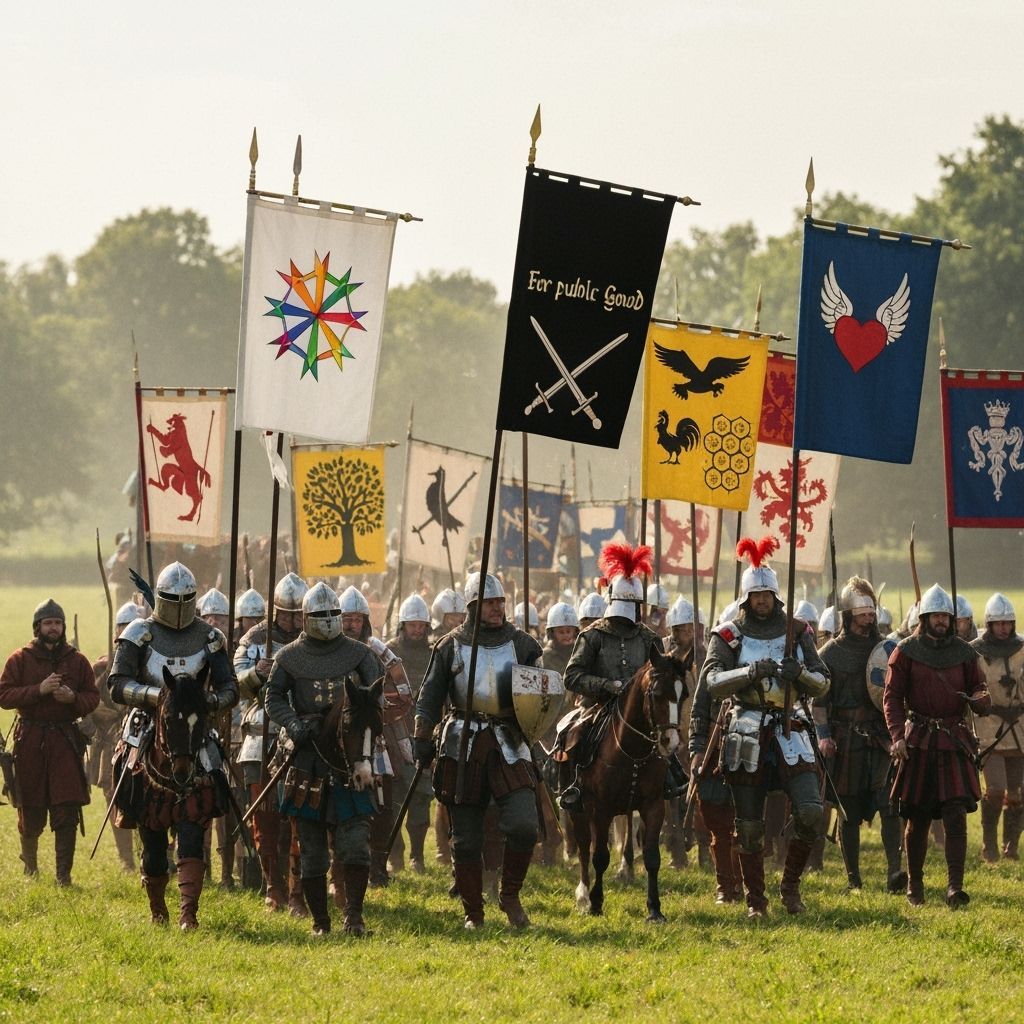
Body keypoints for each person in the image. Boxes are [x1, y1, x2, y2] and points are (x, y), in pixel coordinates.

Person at [700, 537, 829, 918]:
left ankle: (790, 889)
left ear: (776, 596)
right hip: (746, 726)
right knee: (751, 826)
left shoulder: (798, 630)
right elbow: (711, 681)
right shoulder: (728, 634)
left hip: (791, 726)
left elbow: (823, 682)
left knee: (809, 811)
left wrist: (799, 673)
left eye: (766, 594)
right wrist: (749, 671)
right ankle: (757, 902)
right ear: (745, 599)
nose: (761, 601)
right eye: (755, 595)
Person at [108, 562, 238, 928]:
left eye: (185, 599)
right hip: (148, 720)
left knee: (215, 773)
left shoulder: (210, 638)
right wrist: (157, 697)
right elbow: (117, 684)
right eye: (171, 599)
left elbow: (228, 687)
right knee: (128, 768)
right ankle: (156, 903)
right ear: (160, 599)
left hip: (196, 725)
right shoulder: (139, 633)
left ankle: (188, 914)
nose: (179, 606)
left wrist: (208, 703)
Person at [414, 571, 543, 930]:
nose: (497, 609)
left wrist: (535, 731)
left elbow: (540, 696)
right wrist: (422, 738)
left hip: (509, 739)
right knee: (466, 838)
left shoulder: (522, 644)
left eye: (500, 602)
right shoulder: (450, 646)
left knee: (523, 825)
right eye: (490, 603)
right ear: (473, 606)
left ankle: (510, 895)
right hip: (462, 742)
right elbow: (429, 698)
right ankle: (474, 913)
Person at [264, 582, 382, 936]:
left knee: (356, 845)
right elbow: (273, 697)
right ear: (305, 618)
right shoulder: (289, 657)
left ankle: (355, 919)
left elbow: (374, 695)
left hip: (351, 761)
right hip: (307, 760)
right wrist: (295, 725)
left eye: (333, 613)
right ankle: (320, 923)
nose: (328, 620)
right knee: (312, 851)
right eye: (320, 615)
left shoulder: (360, 654)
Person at [884, 584, 991, 907]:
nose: (941, 621)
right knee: (917, 817)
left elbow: (980, 690)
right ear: (925, 617)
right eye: (936, 616)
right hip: (918, 740)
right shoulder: (905, 650)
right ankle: (915, 887)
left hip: (953, 740)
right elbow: (892, 697)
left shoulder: (965, 652)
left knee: (956, 814)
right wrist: (897, 737)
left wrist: (980, 700)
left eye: (946, 616)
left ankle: (954, 887)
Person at [559, 545, 681, 811]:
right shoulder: (592, 635)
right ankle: (575, 785)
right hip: (597, 706)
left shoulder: (649, 638)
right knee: (573, 734)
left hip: (639, 710)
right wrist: (606, 685)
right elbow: (572, 676)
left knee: (666, 741)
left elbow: (660, 676)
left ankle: (671, 779)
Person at [815, 577, 906, 892]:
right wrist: (824, 735)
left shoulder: (886, 650)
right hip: (846, 740)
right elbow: (819, 701)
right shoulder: (829, 653)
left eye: (872, 613)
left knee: (889, 804)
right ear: (848, 616)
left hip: (880, 737)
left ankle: (896, 872)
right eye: (863, 613)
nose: (869, 619)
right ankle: (853, 878)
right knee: (849, 811)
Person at [0, 600, 99, 886]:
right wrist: (38, 690)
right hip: (29, 740)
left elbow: (92, 697)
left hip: (65, 742)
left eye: (57, 623)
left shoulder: (77, 660)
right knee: (29, 805)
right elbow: (4, 695)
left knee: (67, 808)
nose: (53, 628)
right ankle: (30, 867)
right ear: (38, 627)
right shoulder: (20, 658)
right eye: (48, 623)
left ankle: (63, 877)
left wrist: (73, 700)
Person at [235, 572, 307, 913]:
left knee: (301, 815)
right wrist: (257, 673)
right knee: (264, 818)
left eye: (298, 615)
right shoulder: (255, 638)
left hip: (302, 732)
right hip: (260, 732)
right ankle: (272, 885)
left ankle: (297, 889)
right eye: (286, 614)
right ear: (275, 611)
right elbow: (235, 684)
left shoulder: (314, 640)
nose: (292, 621)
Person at [337, 584, 411, 888]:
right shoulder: (330, 649)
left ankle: (379, 865)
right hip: (339, 738)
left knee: (381, 805)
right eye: (346, 618)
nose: (351, 624)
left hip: (375, 738)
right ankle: (341, 866)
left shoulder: (378, 649)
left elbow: (403, 693)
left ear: (365, 620)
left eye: (356, 619)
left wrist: (376, 715)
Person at [88, 600, 143, 873]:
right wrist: (111, 717)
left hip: (144, 735)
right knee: (115, 796)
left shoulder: (150, 660)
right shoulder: (102, 667)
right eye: (124, 626)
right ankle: (126, 860)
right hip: (112, 740)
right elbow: (91, 704)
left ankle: (151, 853)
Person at [970, 593, 1024, 862]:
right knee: (995, 791)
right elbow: (970, 689)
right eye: (998, 623)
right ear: (989, 624)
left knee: (1017, 794)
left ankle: (1011, 846)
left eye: (1008, 623)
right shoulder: (976, 651)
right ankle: (989, 841)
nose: (1003, 628)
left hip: (1019, 728)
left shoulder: (1022, 648)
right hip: (989, 728)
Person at [384, 594, 434, 874]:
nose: (417, 630)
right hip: (394, 733)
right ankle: (396, 855)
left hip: (423, 734)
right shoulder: (388, 654)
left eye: (421, 625)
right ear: (402, 625)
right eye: (412, 625)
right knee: (393, 798)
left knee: (421, 797)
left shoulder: (432, 654)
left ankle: (417, 855)